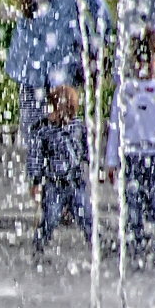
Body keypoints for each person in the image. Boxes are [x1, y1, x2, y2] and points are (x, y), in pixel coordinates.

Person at [6, 0, 112, 167]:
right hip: (62, 70)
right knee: (68, 142)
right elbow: (101, 14)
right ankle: (72, 196)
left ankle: (45, 193)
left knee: (38, 144)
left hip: (31, 70)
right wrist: (96, 46)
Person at [105, 30, 155, 264]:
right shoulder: (126, 91)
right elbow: (116, 126)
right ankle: (133, 247)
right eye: (140, 58)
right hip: (132, 155)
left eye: (150, 58)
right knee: (133, 205)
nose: (144, 64)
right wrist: (112, 161)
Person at [28, 85, 92, 257]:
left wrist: (95, 168)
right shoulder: (45, 129)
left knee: (85, 215)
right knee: (51, 216)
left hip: (76, 182)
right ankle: (39, 246)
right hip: (54, 184)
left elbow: (86, 150)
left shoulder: (78, 127)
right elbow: (36, 157)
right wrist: (35, 181)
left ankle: (96, 244)